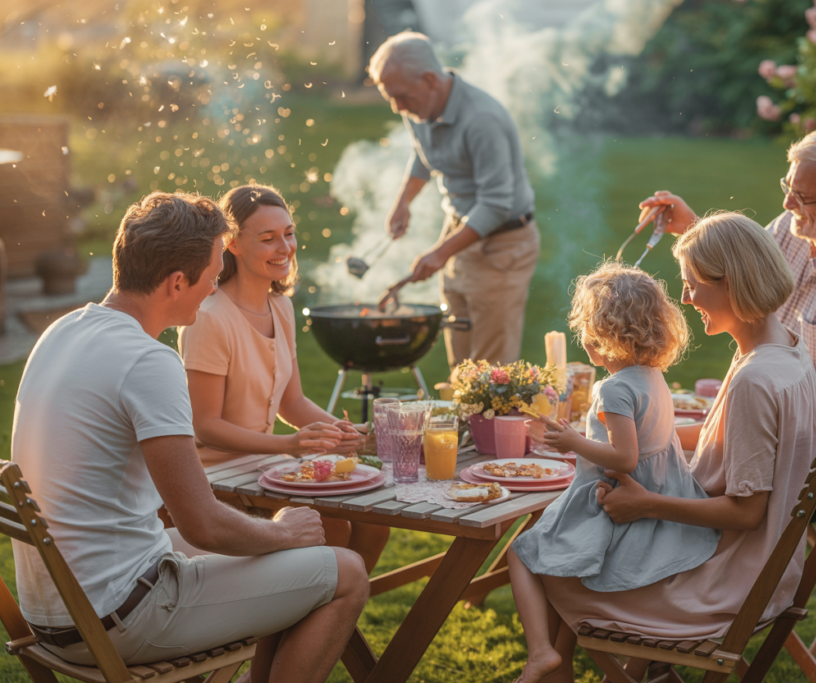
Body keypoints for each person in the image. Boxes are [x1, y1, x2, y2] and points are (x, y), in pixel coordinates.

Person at [11, 192, 368, 682]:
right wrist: (282, 532)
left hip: (55, 611)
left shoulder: (62, 331)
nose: (213, 287)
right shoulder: (149, 362)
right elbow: (201, 524)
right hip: (119, 616)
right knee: (346, 572)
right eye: (211, 274)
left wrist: (279, 540)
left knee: (289, 552)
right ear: (177, 282)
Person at [520, 212, 816, 683]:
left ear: (733, 283)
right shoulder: (787, 351)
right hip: (766, 568)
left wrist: (645, 504)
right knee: (573, 543)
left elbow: (746, 513)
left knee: (552, 562)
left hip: (726, 580)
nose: (684, 298)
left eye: (693, 284)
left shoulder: (755, 380)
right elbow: (733, 442)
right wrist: (644, 432)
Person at [639, 126, 816, 518]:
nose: (786, 204)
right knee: (658, 462)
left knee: (671, 481)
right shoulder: (793, 229)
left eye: (801, 196)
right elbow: (740, 272)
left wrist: (747, 409)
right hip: (770, 428)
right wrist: (695, 229)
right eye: (788, 185)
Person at [508, 261, 720, 683]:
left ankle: (541, 655)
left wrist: (572, 442)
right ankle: (591, 668)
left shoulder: (614, 388)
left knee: (521, 552)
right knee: (547, 554)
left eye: (587, 328)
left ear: (604, 335)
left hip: (619, 516)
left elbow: (623, 458)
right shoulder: (652, 377)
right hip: (658, 512)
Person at [177, 184, 390, 570]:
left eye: (289, 234)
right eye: (268, 238)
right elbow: (204, 427)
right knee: (333, 527)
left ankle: (334, 617)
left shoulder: (281, 307)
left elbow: (292, 403)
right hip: (216, 480)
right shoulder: (210, 318)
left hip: (265, 469)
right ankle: (306, 618)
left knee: (375, 529)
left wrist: (353, 434)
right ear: (234, 244)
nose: (285, 248)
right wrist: (289, 444)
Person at [368, 31, 540, 369]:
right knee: (460, 356)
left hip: (503, 242)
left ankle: (493, 422)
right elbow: (424, 154)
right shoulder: (419, 106)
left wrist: (440, 252)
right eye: (390, 97)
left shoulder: (482, 120)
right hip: (461, 230)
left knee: (491, 367)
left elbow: (495, 204)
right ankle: (462, 421)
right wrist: (404, 202)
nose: (397, 107)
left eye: (401, 97)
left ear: (430, 80)